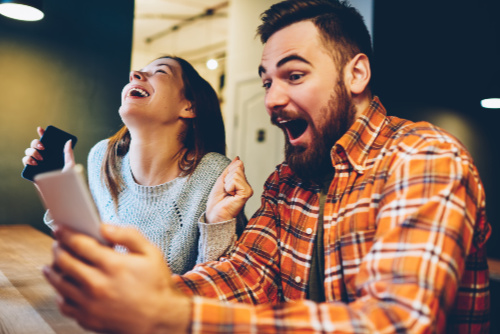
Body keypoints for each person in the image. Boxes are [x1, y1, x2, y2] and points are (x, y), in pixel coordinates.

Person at [43, 1, 491, 333]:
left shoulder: (422, 157)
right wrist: (145, 296)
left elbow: (396, 321)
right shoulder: (287, 181)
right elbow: (245, 272)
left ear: (356, 75)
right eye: (266, 82)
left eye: (294, 76)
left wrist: (166, 313)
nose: (272, 99)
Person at [23, 55, 247, 274]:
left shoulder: (215, 174)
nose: (134, 74)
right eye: (138, 73)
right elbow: (91, 256)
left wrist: (218, 224)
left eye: (160, 71)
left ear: (189, 107)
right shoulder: (102, 157)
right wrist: (59, 195)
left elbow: (217, 281)